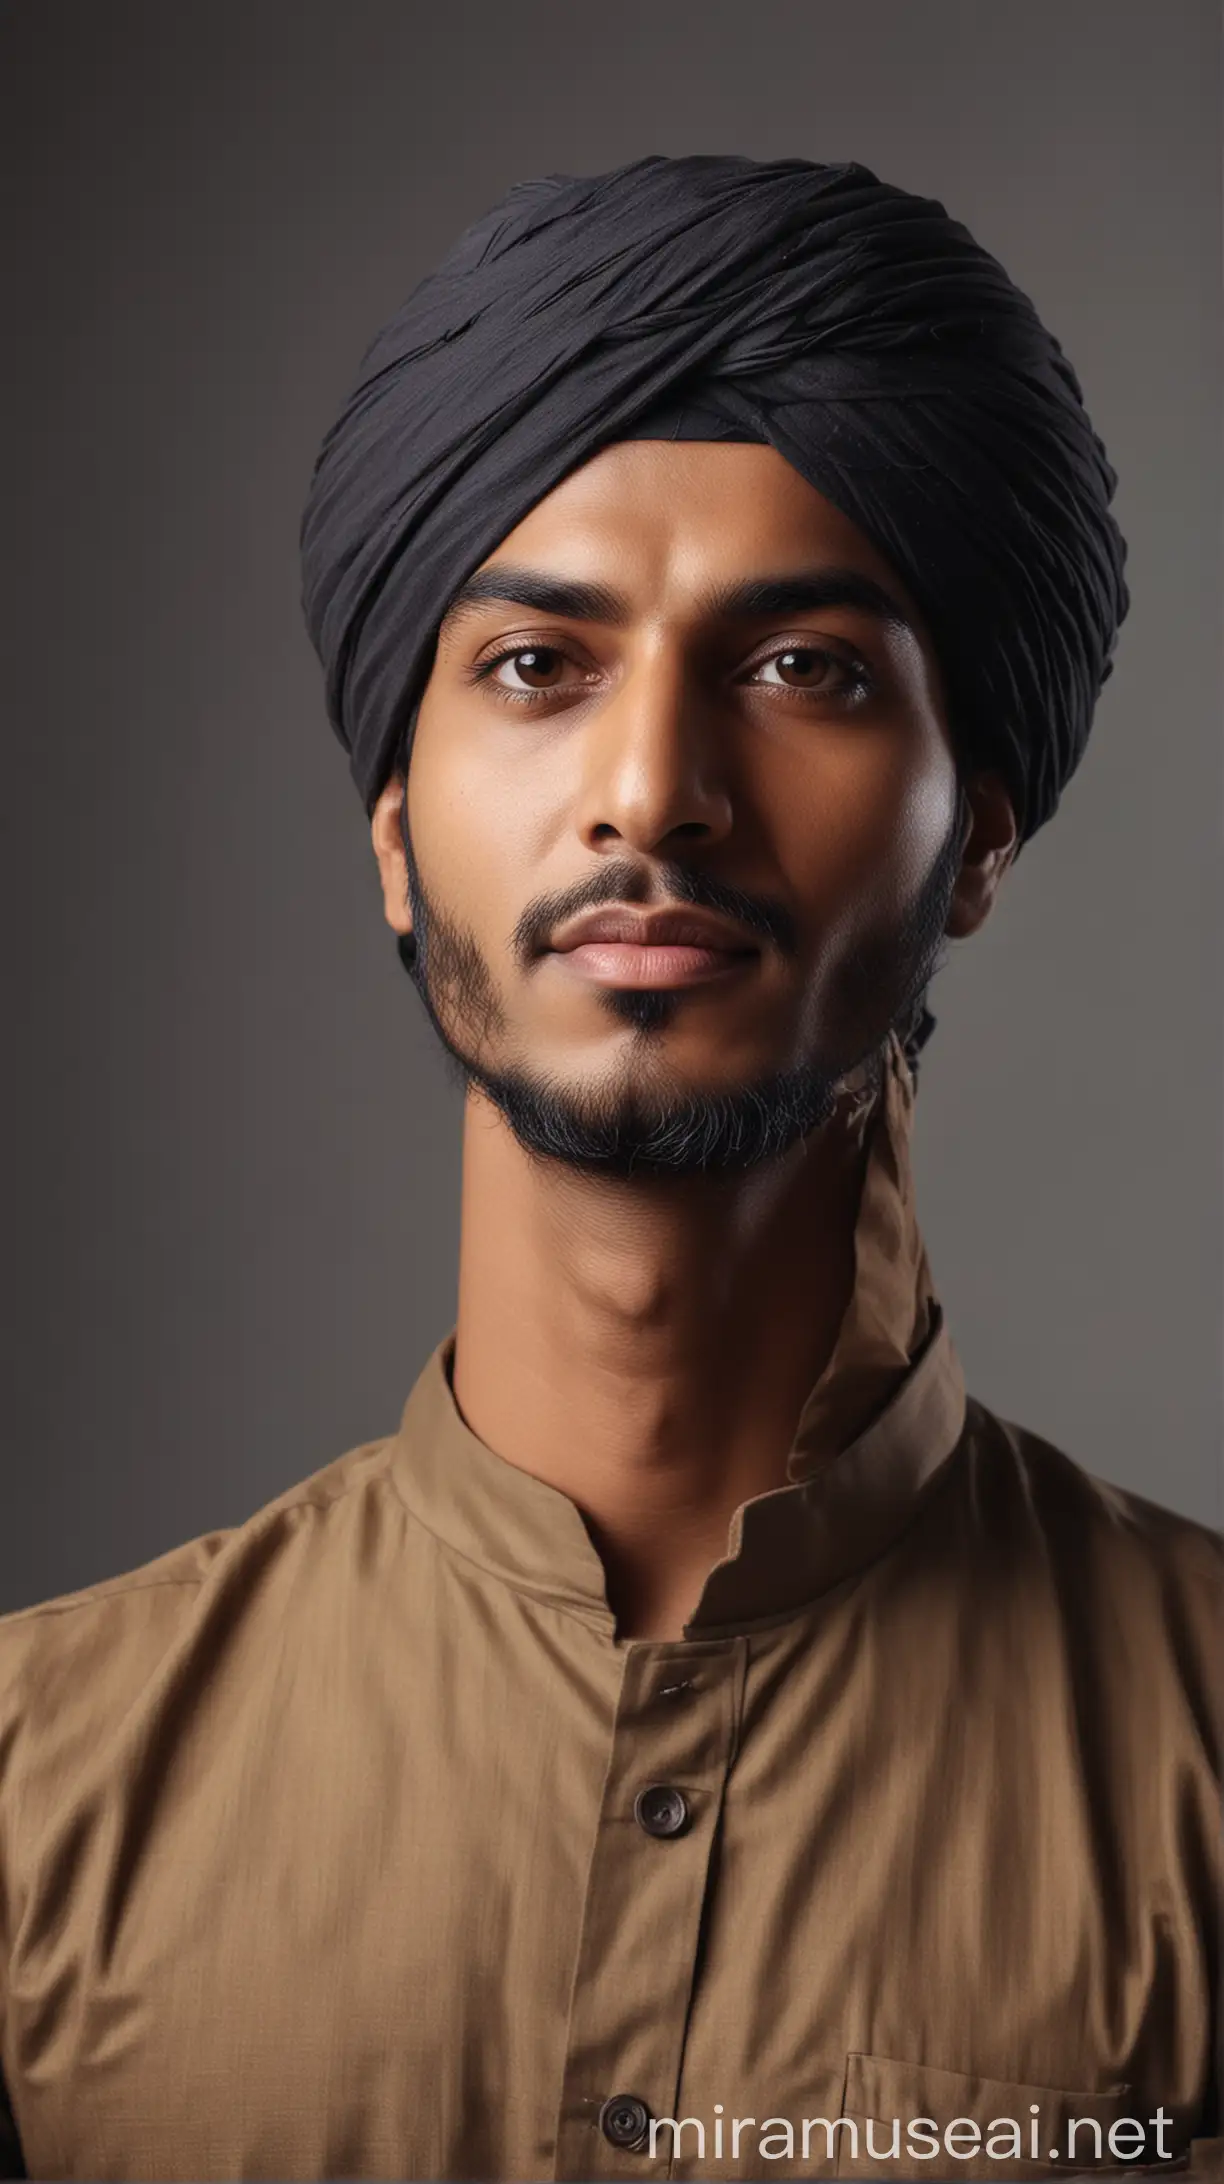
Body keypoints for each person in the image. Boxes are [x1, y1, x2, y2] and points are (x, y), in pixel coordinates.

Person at [0, 154, 1219, 2184]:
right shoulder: (41, 1792)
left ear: (978, 839)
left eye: (805, 667)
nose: (654, 787)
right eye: (536, 670)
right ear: (395, 836)